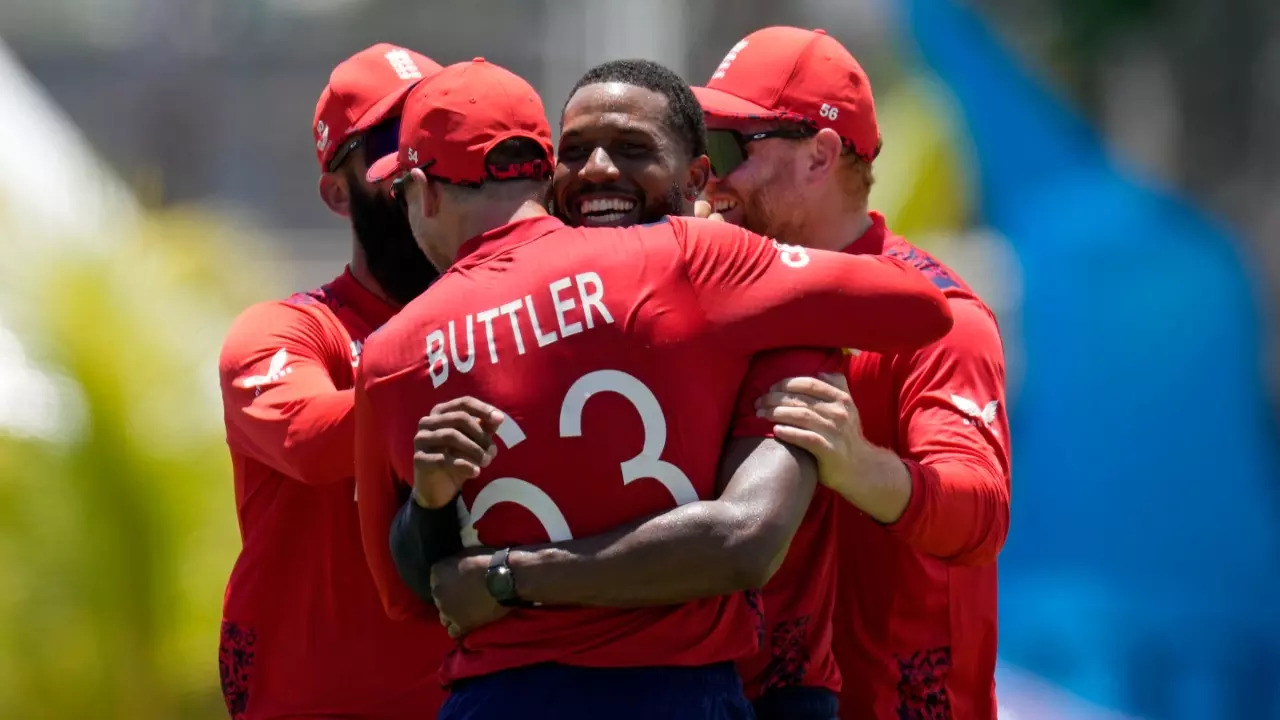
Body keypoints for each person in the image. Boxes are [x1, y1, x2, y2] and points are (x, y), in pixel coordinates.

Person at [353, 57, 953, 720]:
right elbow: (920, 307)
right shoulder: (699, 261)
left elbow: (417, 595)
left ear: (423, 191)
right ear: (543, 174)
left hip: (521, 695)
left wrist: (507, 575)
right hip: (680, 692)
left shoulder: (393, 352)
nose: (600, 170)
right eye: (575, 152)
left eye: (633, 149)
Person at [694, 27, 1012, 720]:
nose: (707, 176)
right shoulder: (721, 297)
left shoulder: (939, 318)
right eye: (699, 145)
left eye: (726, 147)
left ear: (821, 155)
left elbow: (982, 512)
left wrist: (861, 466)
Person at [216, 44, 452, 720]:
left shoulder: (518, 311)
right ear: (336, 192)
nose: (414, 163)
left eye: (435, 132)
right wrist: (487, 366)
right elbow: (312, 440)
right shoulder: (285, 331)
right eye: (387, 142)